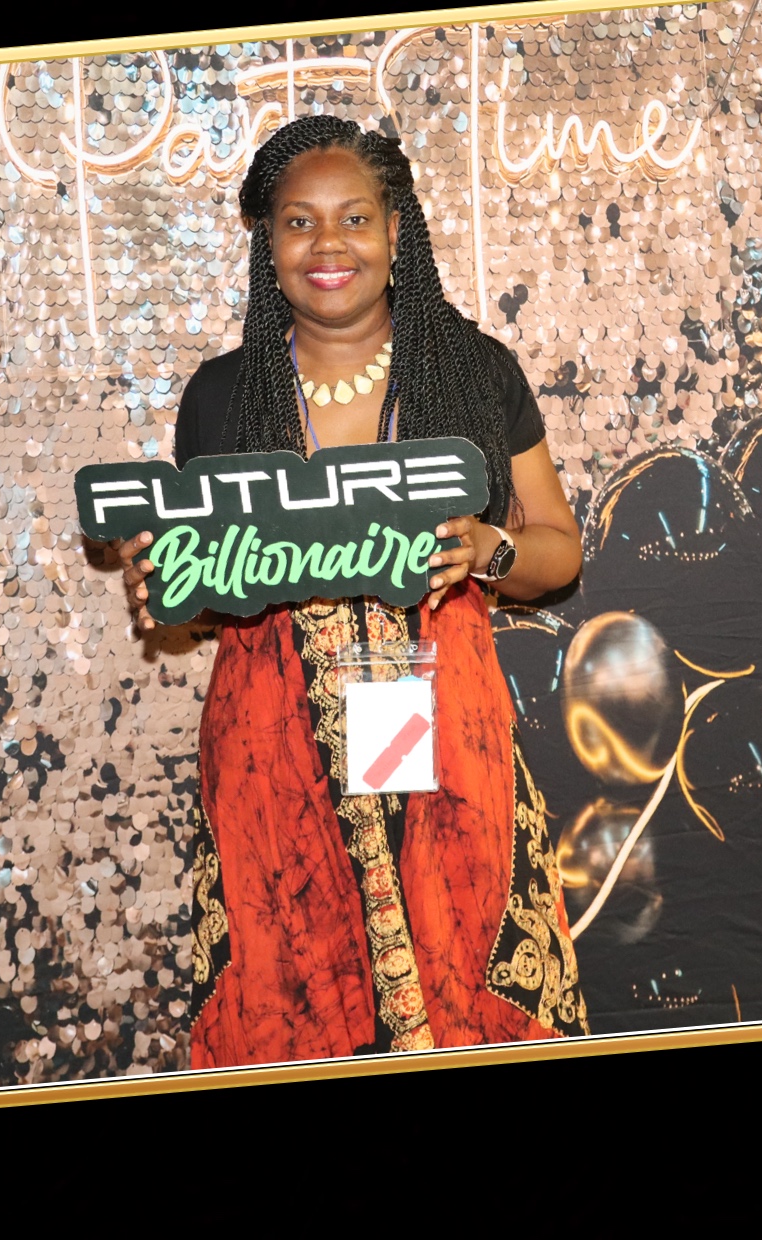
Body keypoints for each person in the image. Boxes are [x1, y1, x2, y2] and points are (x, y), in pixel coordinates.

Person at [111, 115, 589, 1063]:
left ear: (395, 232)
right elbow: (210, 593)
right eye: (299, 223)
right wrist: (167, 581)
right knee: (288, 1002)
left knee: (468, 987)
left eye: (355, 218)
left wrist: (488, 549)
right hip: (271, 756)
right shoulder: (221, 396)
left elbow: (561, 553)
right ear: (268, 244)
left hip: (445, 734)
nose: (328, 245)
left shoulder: (472, 372)